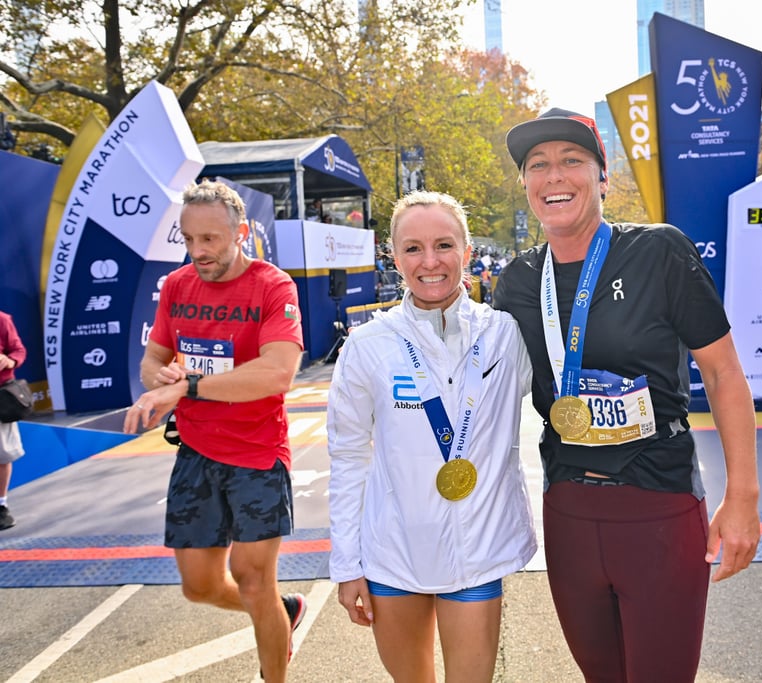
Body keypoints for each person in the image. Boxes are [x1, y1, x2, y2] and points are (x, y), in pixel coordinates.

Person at [493, 108, 760, 681]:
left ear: (602, 177)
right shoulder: (515, 282)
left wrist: (743, 498)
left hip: (658, 504)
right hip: (567, 510)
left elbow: (724, 375)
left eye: (572, 161)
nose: (554, 176)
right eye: (538, 165)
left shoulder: (659, 251)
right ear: (525, 184)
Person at [327, 190, 536, 682]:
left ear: (466, 252)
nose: (430, 262)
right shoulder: (367, 345)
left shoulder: (505, 334)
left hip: (477, 554)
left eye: (444, 245)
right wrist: (346, 564)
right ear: (394, 256)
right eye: (413, 248)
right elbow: (349, 456)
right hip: (391, 553)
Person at [122, 180, 306, 683]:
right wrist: (158, 378)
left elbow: (278, 374)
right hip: (197, 454)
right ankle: (284, 610)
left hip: (257, 454)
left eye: (211, 239)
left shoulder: (273, 287)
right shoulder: (179, 286)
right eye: (189, 239)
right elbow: (153, 359)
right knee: (199, 587)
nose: (198, 251)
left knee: (253, 581)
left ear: (241, 232)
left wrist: (187, 389)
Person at [0, 310, 27, 530]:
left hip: (1, 396)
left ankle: (2, 506)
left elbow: (19, 350)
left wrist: (9, 361)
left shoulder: (2, 320)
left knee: (3, 453)